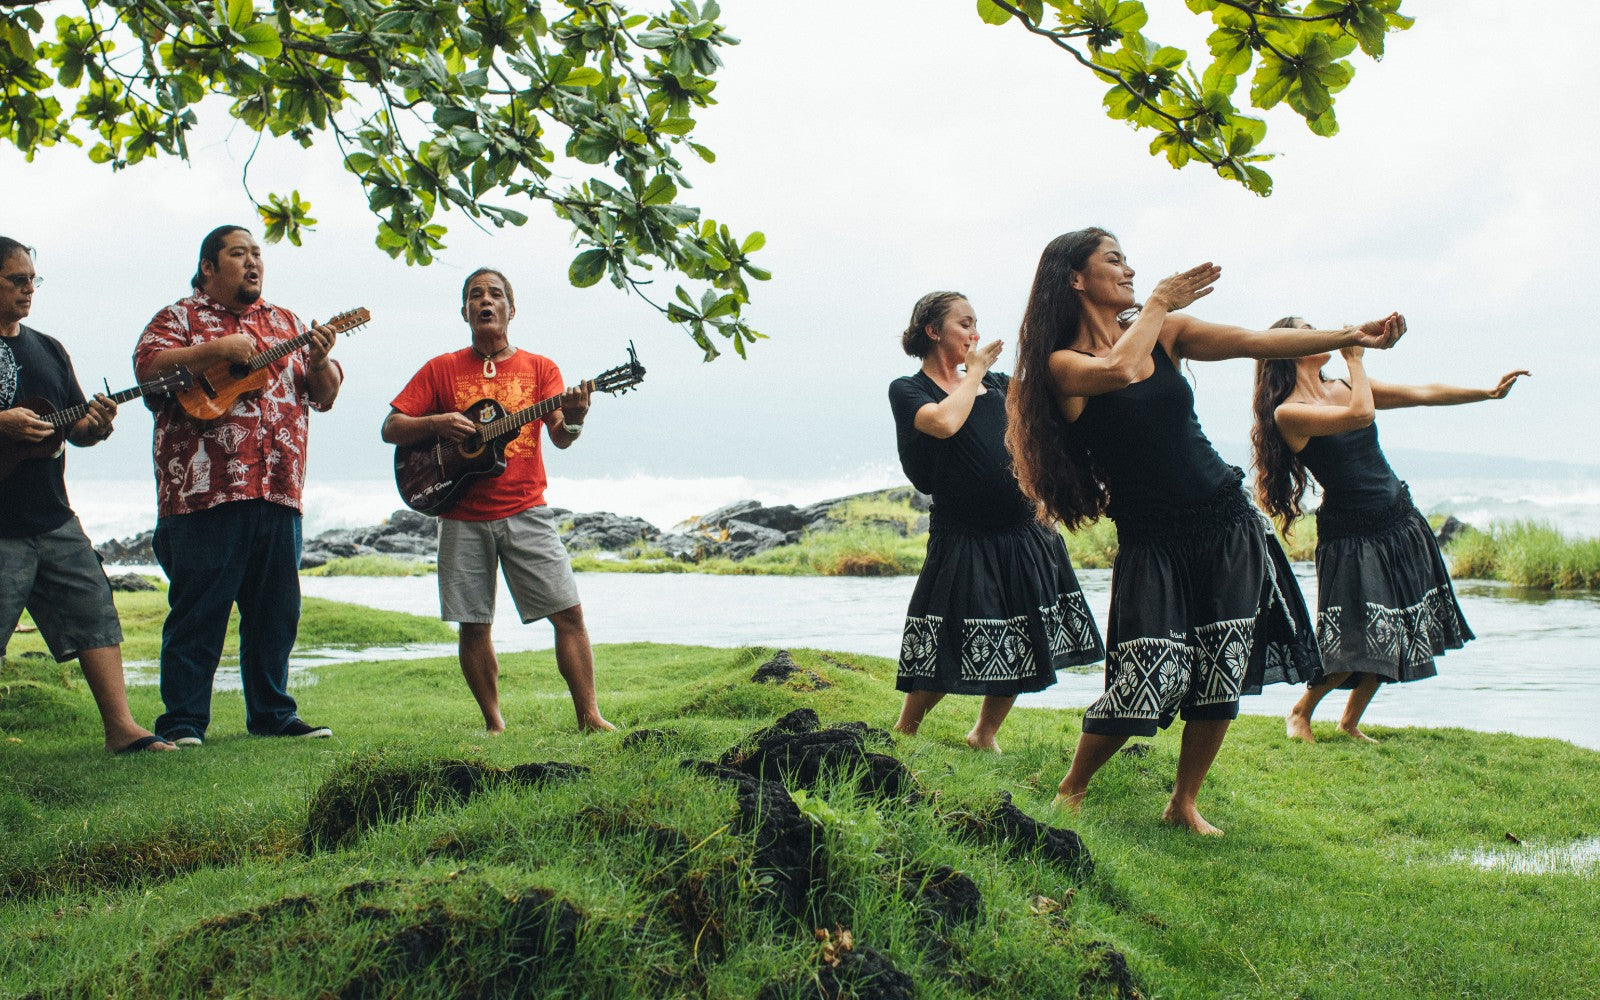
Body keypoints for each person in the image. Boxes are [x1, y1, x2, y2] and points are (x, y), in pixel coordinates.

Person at [1004, 227, 1405, 834]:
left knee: (1221, 669)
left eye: (1129, 259)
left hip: (1223, 519)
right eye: (1115, 260)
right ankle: (1072, 788)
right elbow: (1119, 368)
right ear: (1076, 279)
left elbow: (1256, 341)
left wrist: (1351, 336)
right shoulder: (1066, 365)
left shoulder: (1166, 334)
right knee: (1146, 674)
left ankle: (1183, 801)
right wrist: (1160, 301)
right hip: (1152, 538)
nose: (1130, 270)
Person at [1252, 318, 1526, 743]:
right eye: (1309, 330)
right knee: (1355, 638)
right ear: (1289, 348)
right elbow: (1361, 415)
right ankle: (1300, 712)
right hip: (1352, 534)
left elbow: (1421, 393)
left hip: (1398, 516)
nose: (1322, 332)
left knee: (1397, 627)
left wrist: (1486, 393)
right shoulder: (1289, 413)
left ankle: (1349, 721)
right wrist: (1357, 358)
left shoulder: (1343, 386)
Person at [133, 225, 342, 746]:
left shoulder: (287, 322)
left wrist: (318, 362)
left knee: (276, 613)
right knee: (198, 612)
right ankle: (182, 722)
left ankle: (273, 714)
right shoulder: (179, 317)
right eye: (238, 253)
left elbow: (326, 394)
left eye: (257, 254)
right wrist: (218, 347)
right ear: (208, 266)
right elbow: (147, 373)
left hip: (277, 488)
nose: (253, 262)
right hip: (203, 493)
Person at [381, 267, 613, 734]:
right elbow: (392, 427)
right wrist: (440, 423)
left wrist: (576, 417)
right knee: (473, 623)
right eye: (475, 296)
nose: (485, 302)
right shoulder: (440, 369)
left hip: (527, 507)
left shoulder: (540, 369)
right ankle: (494, 724)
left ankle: (589, 716)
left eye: (495, 295)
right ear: (464, 311)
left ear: (511, 308)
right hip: (459, 512)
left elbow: (562, 438)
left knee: (568, 613)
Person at [889, 291, 1103, 752]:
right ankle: (906, 730)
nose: (975, 333)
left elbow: (1059, 399)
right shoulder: (910, 390)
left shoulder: (1004, 385)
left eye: (976, 323)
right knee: (945, 635)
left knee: (1022, 635)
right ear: (933, 331)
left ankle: (984, 733)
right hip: (962, 533)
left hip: (1025, 530)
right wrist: (976, 373)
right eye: (965, 324)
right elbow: (944, 424)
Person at [0, 236, 172, 754]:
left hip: (52, 516)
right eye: (17, 280)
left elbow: (74, 428)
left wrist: (96, 425)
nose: (29, 289)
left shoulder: (48, 348)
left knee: (94, 607)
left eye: (34, 279)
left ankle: (122, 730)